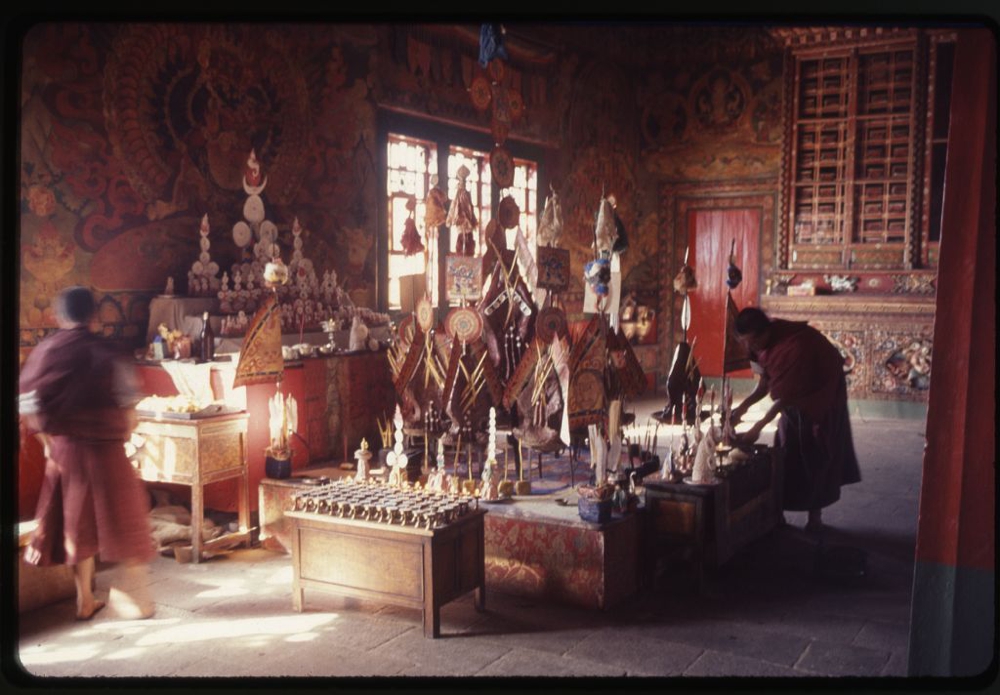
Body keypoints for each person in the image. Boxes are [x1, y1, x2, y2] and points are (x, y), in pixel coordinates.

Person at [19, 286, 156, 620]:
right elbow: (128, 407)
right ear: (95, 316)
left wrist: (50, 445)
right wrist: (126, 435)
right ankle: (135, 598)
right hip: (106, 451)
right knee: (126, 520)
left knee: (75, 528)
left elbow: (27, 406)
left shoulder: (46, 352)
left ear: (59, 316)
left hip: (65, 455)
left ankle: (84, 600)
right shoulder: (108, 352)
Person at [729, 307, 861, 533]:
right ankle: (777, 514)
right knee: (784, 451)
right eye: (744, 343)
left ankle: (815, 518)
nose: (748, 348)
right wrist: (741, 408)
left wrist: (758, 427)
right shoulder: (762, 345)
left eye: (751, 342)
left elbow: (786, 398)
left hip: (820, 399)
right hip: (793, 400)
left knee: (814, 455)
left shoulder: (795, 347)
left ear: (764, 333)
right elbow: (766, 383)